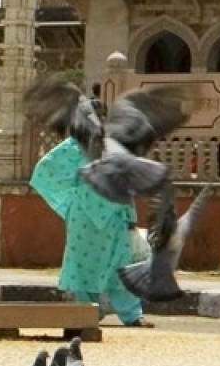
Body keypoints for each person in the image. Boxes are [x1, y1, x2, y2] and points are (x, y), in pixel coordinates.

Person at [30, 133, 148, 327]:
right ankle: (88, 312)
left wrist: (130, 217)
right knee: (83, 266)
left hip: (114, 214)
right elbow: (46, 168)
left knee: (121, 264)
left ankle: (132, 315)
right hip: (83, 215)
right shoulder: (74, 146)